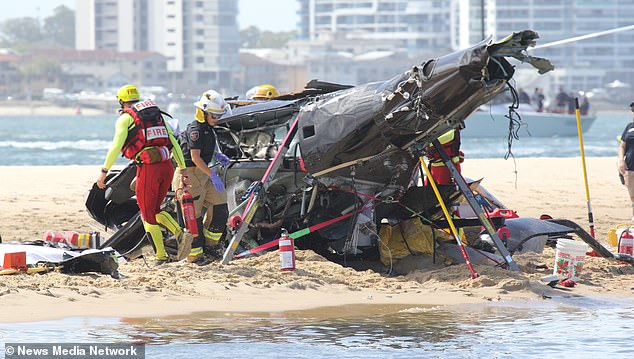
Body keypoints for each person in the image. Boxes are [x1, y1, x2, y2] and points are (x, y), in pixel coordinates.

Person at [96, 84, 192, 265]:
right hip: (167, 168)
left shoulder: (126, 118)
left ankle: (162, 256)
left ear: (121, 101)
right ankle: (180, 234)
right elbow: (173, 141)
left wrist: (104, 172)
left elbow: (116, 147)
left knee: (147, 216)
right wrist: (183, 168)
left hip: (149, 170)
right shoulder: (156, 116)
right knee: (154, 211)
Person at [172, 89, 230, 263]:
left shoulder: (208, 128)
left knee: (220, 207)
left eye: (219, 116)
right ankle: (194, 255)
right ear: (203, 112)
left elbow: (205, 151)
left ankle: (211, 247)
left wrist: (217, 156)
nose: (217, 119)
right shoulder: (196, 129)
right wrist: (213, 175)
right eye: (214, 116)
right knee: (192, 217)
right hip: (190, 175)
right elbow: (195, 157)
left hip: (203, 173)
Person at [618, 101, 634, 221]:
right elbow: (622, 146)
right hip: (630, 166)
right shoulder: (629, 127)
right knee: (632, 196)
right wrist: (620, 161)